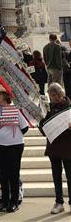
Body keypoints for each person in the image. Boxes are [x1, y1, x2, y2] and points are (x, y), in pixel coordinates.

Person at [0, 86, 28, 213]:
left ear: (6, 96)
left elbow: (25, 128)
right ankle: (5, 200)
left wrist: (11, 123)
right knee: (2, 174)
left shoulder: (15, 109)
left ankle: (14, 201)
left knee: (14, 174)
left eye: (0, 94)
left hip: (14, 145)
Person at [38, 83, 71, 215]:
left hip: (68, 148)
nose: (54, 99)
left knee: (70, 176)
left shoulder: (69, 108)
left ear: (61, 94)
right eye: (51, 96)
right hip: (53, 148)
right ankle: (59, 202)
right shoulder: (48, 109)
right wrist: (41, 121)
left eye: (56, 96)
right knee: (56, 177)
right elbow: (43, 128)